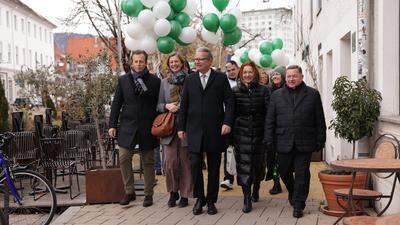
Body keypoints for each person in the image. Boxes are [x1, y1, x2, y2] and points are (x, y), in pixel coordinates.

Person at [264, 65, 326, 218]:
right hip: (283, 140)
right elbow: (270, 120)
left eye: (294, 76)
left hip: (305, 141)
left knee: (302, 173)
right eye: (289, 76)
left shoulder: (312, 94)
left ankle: (298, 204)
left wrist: (321, 139)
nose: (291, 79)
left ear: (301, 77)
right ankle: (292, 191)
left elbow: (319, 119)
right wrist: (268, 139)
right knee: (284, 171)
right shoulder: (277, 95)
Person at [178, 47, 234, 215]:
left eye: (201, 59)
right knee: (195, 166)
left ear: (209, 61)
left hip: (215, 130)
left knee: (214, 168)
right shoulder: (190, 79)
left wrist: (227, 122)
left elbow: (230, 102)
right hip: (193, 130)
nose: (197, 61)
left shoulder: (220, 78)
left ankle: (211, 201)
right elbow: (184, 104)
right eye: (195, 59)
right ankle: (199, 199)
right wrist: (181, 127)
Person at [108, 50, 161, 207]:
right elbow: (116, 104)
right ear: (132, 62)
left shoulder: (154, 81)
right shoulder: (123, 80)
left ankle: (148, 194)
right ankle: (129, 191)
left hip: (147, 126)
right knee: (124, 157)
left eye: (141, 61)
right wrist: (112, 125)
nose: (138, 64)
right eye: (136, 61)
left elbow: (159, 103)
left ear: (146, 62)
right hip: (127, 126)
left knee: (148, 161)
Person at [232, 61, 270, 213]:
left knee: (258, 164)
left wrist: (268, 135)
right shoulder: (235, 91)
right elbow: (231, 113)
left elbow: (269, 114)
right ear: (241, 74)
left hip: (259, 132)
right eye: (245, 72)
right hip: (241, 134)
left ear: (255, 73)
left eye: (250, 72)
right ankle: (246, 197)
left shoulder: (264, 91)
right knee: (243, 166)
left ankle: (256, 188)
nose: (247, 75)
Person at [157, 52, 193, 208]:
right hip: (169, 127)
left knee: (185, 162)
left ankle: (185, 195)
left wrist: (184, 107)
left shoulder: (190, 80)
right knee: (170, 162)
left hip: (186, 126)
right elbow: (158, 105)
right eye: (171, 62)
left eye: (176, 61)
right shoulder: (164, 82)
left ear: (182, 63)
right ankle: (173, 192)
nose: (174, 64)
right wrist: (167, 106)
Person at [264, 66, 286, 195]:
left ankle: (289, 180)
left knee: (285, 159)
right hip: (272, 130)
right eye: (273, 75)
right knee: (272, 159)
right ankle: (276, 183)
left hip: (284, 129)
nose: (275, 77)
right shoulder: (268, 90)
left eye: (277, 74)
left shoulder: (287, 89)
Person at [219, 60, 239, 191]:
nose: (231, 72)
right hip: (227, 120)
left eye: (233, 69)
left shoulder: (244, 80)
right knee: (228, 150)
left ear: (238, 68)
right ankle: (228, 178)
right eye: (229, 70)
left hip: (243, 121)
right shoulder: (223, 83)